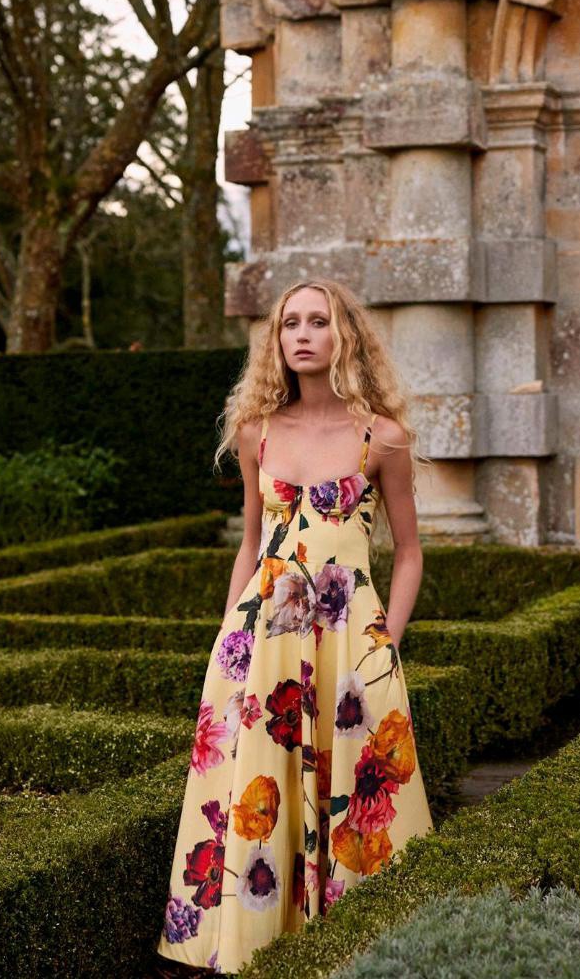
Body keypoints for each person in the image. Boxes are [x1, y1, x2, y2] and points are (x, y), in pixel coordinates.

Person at [153, 278, 434, 977]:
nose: (302, 334)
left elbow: (409, 552)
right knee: (259, 788)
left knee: (357, 792)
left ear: (346, 336)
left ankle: (361, 946)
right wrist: (227, 639)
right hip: (264, 639)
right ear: (275, 339)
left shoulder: (382, 437)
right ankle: (257, 943)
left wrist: (386, 643)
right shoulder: (259, 432)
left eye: (317, 321)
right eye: (289, 323)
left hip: (350, 642)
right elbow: (251, 546)